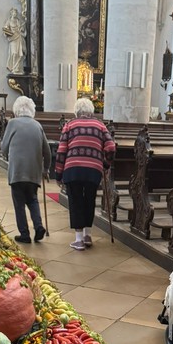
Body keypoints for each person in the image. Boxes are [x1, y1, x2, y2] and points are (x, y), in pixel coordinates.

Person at [54, 97, 116, 251]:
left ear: (77, 111)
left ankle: (79, 239)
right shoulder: (100, 126)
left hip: (72, 169)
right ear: (91, 111)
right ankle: (88, 236)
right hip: (93, 170)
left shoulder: (69, 125)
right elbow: (111, 147)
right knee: (89, 200)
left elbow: (61, 151)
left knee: (75, 202)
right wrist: (105, 164)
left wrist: (58, 174)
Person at [0, 96, 51, 244]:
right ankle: (39, 226)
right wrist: (46, 169)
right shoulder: (37, 125)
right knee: (33, 200)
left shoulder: (12, 123)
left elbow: (3, 148)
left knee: (19, 203)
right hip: (33, 172)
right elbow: (47, 152)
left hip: (17, 171)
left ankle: (24, 234)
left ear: (16, 109)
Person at [4, 8, 27, 73]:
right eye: (14, 13)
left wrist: (22, 28)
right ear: (11, 13)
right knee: (14, 53)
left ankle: (18, 69)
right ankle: (14, 68)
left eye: (16, 13)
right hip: (13, 38)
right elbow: (6, 29)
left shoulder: (18, 21)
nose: (15, 14)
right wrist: (6, 32)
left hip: (19, 37)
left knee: (20, 54)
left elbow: (22, 29)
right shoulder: (9, 21)